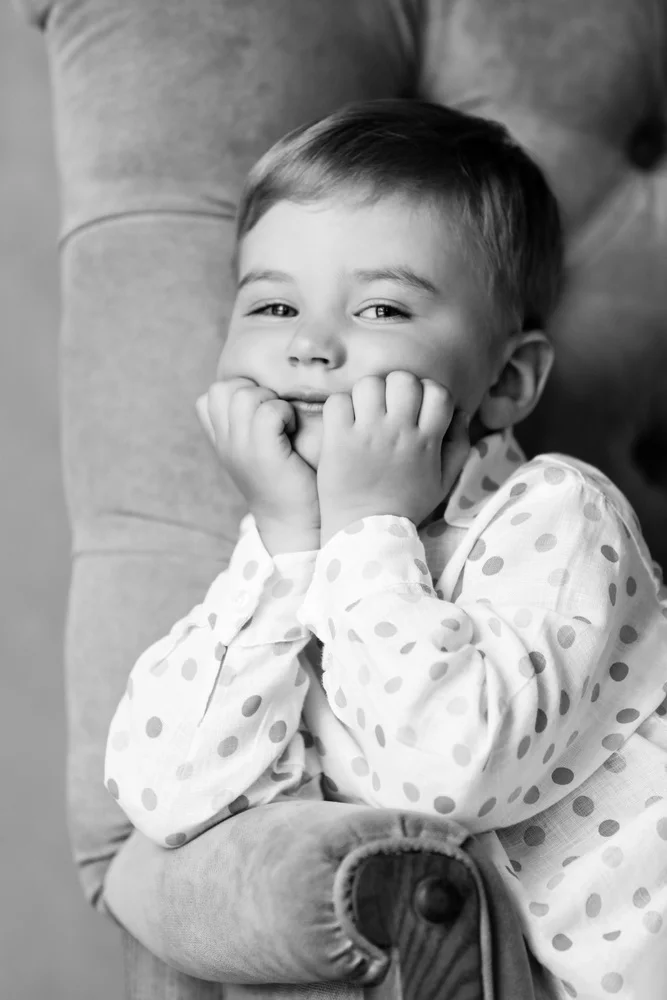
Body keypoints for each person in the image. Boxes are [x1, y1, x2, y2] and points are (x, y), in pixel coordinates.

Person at [105, 99, 667, 999]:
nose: (310, 346)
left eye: (379, 307)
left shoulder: (556, 514)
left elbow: (446, 779)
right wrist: (287, 550)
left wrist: (370, 528)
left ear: (507, 381)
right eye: (275, 304)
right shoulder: (288, 567)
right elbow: (168, 800)